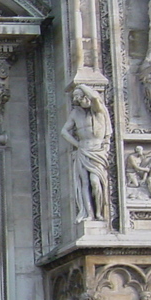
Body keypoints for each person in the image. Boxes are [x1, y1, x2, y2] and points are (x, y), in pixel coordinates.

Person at [60, 83, 112, 222]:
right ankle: (89, 213)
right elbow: (64, 132)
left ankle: (99, 213)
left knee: (95, 182)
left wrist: (81, 85)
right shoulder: (75, 113)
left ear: (85, 96)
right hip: (83, 151)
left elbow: (95, 97)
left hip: (97, 151)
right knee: (84, 183)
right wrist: (77, 145)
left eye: (80, 97)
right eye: (75, 98)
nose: (77, 101)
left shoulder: (97, 111)